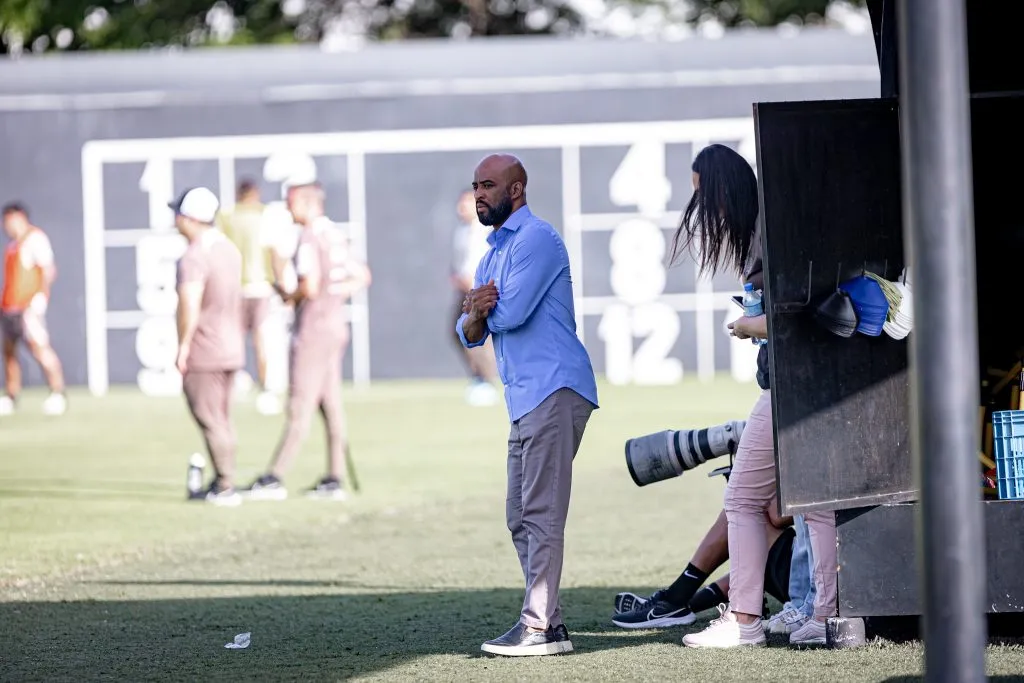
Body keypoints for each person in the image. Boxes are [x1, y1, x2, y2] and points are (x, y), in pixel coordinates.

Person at [672, 144, 838, 649]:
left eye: (705, 196)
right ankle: (824, 615)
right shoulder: (773, 223)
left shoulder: (772, 228)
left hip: (796, 380)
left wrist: (751, 326)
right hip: (806, 378)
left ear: (723, 188)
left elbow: (805, 310)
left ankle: (745, 621)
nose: (704, 212)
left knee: (746, 498)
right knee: (817, 504)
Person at [458, 154, 599, 657]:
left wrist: (481, 309)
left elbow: (510, 312)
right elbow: (468, 331)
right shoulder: (492, 252)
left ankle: (539, 626)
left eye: (488, 185)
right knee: (519, 516)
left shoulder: (536, 237)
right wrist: (478, 309)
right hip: (526, 397)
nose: (479, 193)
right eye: (476, 185)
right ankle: (551, 624)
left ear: (516, 190)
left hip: (553, 388)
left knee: (539, 512)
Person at [245, 182, 371, 501]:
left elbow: (310, 286)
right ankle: (335, 477)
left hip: (313, 331)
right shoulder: (335, 235)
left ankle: (274, 477)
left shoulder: (310, 237)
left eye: (291, 204)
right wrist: (334, 295)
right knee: (330, 405)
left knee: (299, 405)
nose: (288, 210)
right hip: (335, 326)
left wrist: (290, 295)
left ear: (306, 203)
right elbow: (362, 276)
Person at [172, 187, 245, 507]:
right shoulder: (228, 249)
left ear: (190, 218)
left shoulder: (194, 255)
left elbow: (189, 302)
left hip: (206, 348)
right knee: (223, 418)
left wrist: (183, 345)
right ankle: (222, 479)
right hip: (231, 345)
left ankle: (226, 485)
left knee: (210, 418)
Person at [612, 501, 794, 629]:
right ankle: (679, 603)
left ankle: (674, 600)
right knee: (745, 512)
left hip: (806, 584)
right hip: (806, 580)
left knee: (745, 508)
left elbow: (776, 515)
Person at [217, 179, 281, 416]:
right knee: (261, 339)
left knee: (234, 337)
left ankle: (234, 382)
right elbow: (273, 251)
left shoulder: (227, 217)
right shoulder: (265, 215)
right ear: (255, 193)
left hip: (235, 286)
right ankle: (265, 387)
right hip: (261, 286)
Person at [0, 203, 67, 417]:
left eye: (11, 219)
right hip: (10, 307)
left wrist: (39, 300)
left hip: (29, 307)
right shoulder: (13, 245)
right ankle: (11, 396)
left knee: (40, 348)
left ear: (21, 218)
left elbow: (48, 270)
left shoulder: (35, 239)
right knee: (9, 352)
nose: (8, 225)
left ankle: (58, 393)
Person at [449, 190, 499, 407]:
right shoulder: (461, 232)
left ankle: (488, 382)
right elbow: (459, 264)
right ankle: (478, 377)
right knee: (457, 332)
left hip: (480, 292)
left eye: (467, 203)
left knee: (478, 337)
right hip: (465, 292)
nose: (463, 208)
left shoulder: (485, 231)